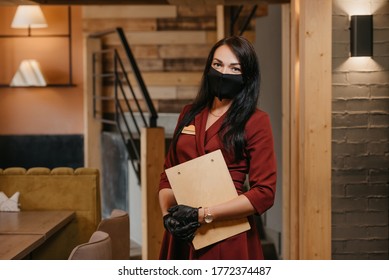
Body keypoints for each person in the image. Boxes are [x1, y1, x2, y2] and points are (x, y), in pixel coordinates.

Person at [158, 35, 277, 260]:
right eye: (218, 65)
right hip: (182, 232)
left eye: (235, 68)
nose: (224, 73)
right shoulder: (189, 113)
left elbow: (264, 193)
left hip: (228, 234)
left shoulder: (256, 121)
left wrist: (202, 215)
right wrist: (167, 216)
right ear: (209, 67)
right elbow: (168, 175)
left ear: (247, 76)